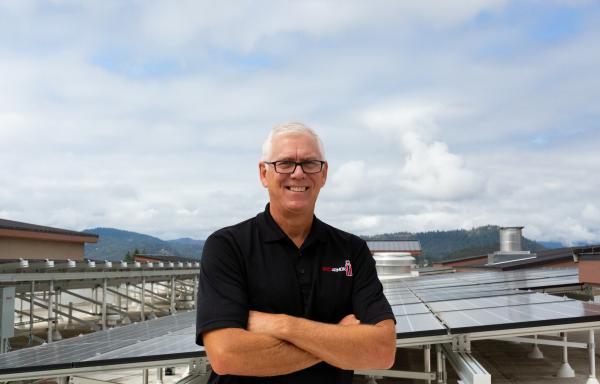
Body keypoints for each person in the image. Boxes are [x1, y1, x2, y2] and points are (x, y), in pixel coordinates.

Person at [196, 122, 396, 383]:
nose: (299, 173)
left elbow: (382, 351)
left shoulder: (352, 250)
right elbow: (226, 356)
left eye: (310, 163)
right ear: (263, 173)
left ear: (323, 174)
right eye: (285, 163)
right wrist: (338, 339)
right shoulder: (227, 246)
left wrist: (281, 325)